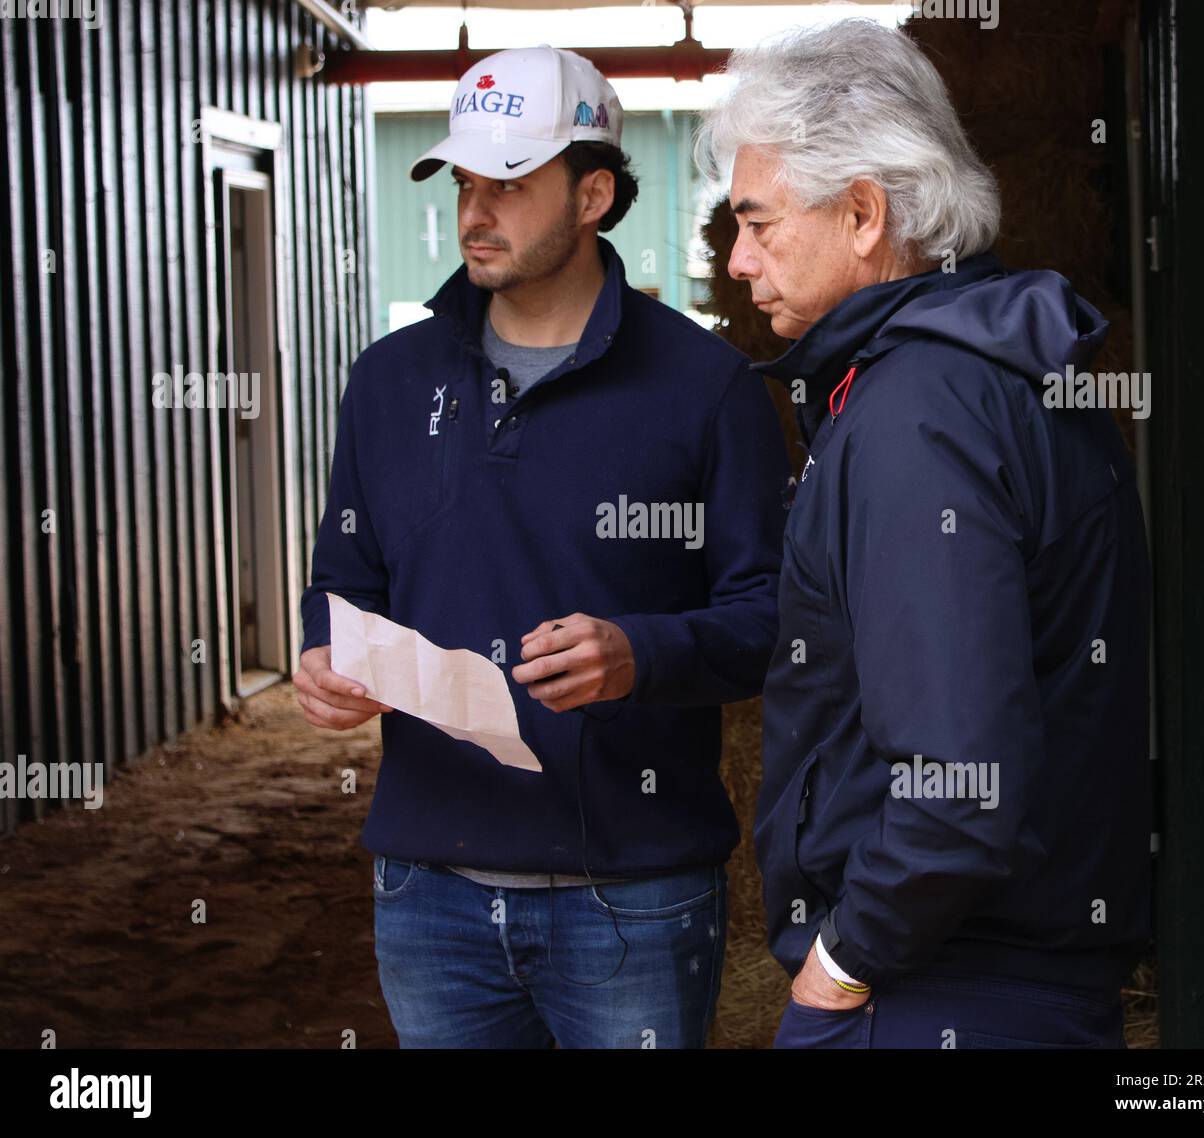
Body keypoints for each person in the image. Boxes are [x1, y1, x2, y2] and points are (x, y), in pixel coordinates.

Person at [293, 45, 789, 1049]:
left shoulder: (710, 389)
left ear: (593, 192)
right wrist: (321, 657)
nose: (476, 213)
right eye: (467, 184)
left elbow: (774, 617)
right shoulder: (387, 381)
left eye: (511, 185)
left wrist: (638, 653)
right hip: (427, 888)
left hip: (632, 893)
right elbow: (345, 579)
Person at [696, 18, 1151, 1048]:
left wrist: (845, 960)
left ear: (863, 213)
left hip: (941, 989)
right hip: (1020, 976)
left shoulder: (917, 415)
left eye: (759, 223)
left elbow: (958, 784)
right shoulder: (1004, 363)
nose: (738, 257)